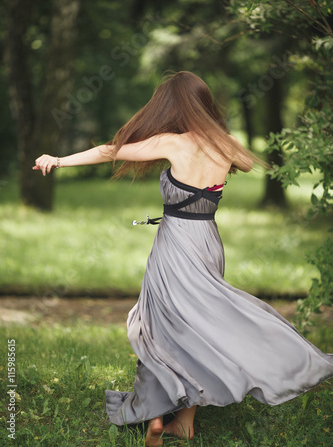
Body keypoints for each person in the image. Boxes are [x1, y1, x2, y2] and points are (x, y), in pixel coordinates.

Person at [33, 71, 333, 446]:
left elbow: (109, 150)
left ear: (173, 106)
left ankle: (156, 416)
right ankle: (185, 424)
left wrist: (57, 160)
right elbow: (246, 165)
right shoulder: (228, 145)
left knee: (160, 326)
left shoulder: (172, 143)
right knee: (196, 327)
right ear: (205, 104)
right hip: (208, 242)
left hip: (175, 244)